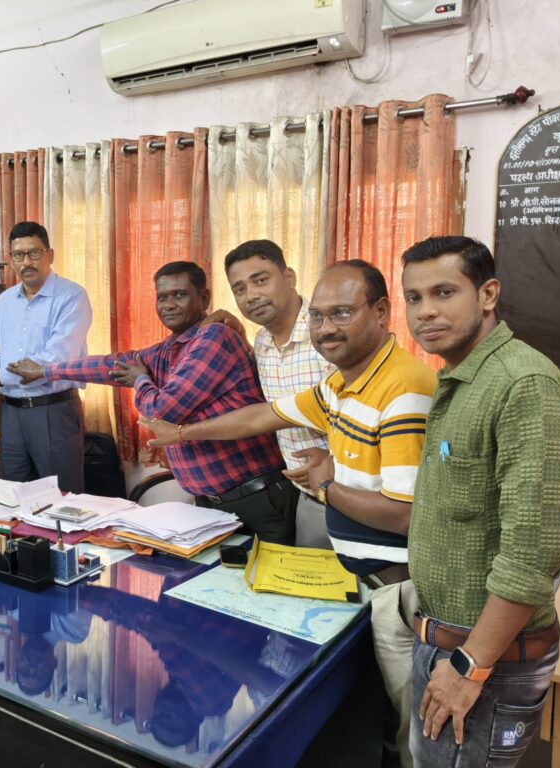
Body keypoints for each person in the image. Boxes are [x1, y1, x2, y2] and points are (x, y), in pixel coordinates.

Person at [143, 260, 438, 768]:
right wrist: (182, 433)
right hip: (359, 577)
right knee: (365, 703)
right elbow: (264, 415)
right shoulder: (343, 384)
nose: (325, 328)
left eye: (341, 313)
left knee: (415, 729)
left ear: (381, 312)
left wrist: (326, 485)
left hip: (397, 588)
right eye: (318, 317)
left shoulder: (403, 387)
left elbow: (405, 516)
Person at [400, 236, 560, 767]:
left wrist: (470, 665)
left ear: (488, 294)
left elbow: (531, 556)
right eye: (413, 297)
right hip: (447, 645)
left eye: (444, 292)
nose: (425, 311)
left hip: (484, 661)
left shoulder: (524, 383)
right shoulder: (461, 377)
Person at [10, 261, 293, 543]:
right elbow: (109, 365)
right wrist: (45, 371)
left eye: (180, 295)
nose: (168, 305)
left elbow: (163, 410)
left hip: (258, 499)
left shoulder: (215, 336)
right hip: (215, 503)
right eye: (162, 297)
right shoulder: (169, 350)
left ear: (204, 298)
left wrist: (141, 380)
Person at [212, 239, 335, 547]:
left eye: (260, 280)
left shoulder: (328, 332)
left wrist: (336, 461)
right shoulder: (263, 341)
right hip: (306, 499)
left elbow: (371, 414)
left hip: (357, 494)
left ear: (289, 277)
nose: (251, 295)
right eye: (239, 289)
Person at [0, 221, 91, 492]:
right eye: (18, 255)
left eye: (34, 253)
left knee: (62, 500)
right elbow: (5, 356)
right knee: (14, 497)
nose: (26, 262)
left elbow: (54, 360)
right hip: (12, 414)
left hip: (53, 411)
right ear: (11, 259)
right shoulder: (5, 301)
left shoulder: (72, 296)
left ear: (50, 255)